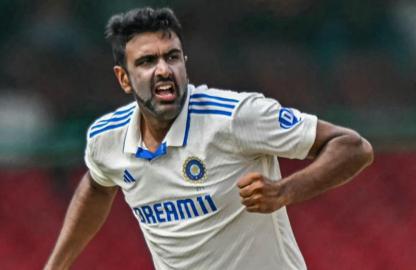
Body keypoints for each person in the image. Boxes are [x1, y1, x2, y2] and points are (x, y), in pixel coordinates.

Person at [44, 7, 373, 270]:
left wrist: (285, 191)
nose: (163, 69)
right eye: (146, 61)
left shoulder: (235, 117)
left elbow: (353, 147)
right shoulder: (107, 139)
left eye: (172, 56)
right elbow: (98, 185)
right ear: (124, 79)